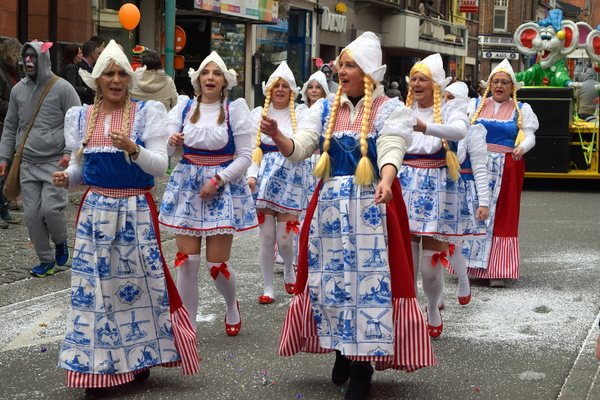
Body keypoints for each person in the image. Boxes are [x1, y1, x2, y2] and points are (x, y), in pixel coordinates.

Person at [271, 32, 436, 400]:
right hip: (329, 207)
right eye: (340, 65)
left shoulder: (391, 109)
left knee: (368, 285)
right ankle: (341, 348)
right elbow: (301, 147)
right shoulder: (325, 108)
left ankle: (363, 365)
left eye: (349, 65)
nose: (341, 71)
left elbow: (394, 145)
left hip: (372, 206)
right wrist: (279, 138)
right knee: (332, 280)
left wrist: (389, 178)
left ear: (368, 73)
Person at [53, 40, 199, 399]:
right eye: (109, 74)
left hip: (135, 210)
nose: (115, 80)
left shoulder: (147, 113)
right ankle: (97, 369)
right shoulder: (84, 117)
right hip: (95, 213)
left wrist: (133, 149)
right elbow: (80, 171)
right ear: (98, 80)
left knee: (136, 290)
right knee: (96, 292)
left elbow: (159, 167)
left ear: (129, 80)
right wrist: (66, 178)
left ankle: (141, 356)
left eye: (121, 74)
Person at [159, 51, 257, 335]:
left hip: (222, 189)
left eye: (216, 73)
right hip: (187, 186)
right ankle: (187, 327)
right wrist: (171, 141)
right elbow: (164, 151)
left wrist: (218, 180)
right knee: (187, 262)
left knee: (216, 264)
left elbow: (245, 156)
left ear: (224, 80)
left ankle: (231, 305)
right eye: (205, 72)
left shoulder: (235, 110)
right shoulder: (183, 107)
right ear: (198, 79)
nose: (210, 77)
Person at [399, 53, 468, 337]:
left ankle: (431, 306)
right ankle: (411, 308)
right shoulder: (399, 108)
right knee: (405, 261)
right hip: (403, 186)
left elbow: (460, 131)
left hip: (438, 189)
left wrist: (423, 125)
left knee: (429, 268)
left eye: (422, 79)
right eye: (413, 78)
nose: (416, 83)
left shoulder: (452, 109)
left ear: (436, 85)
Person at [0, 40, 80, 277]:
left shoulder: (63, 88)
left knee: (52, 210)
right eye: (25, 57)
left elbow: (76, 122)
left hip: (55, 163)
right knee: (32, 215)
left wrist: (68, 154)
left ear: (42, 59)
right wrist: (4, 158)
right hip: (27, 164)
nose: (28, 61)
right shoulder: (17, 91)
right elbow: (10, 126)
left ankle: (61, 241)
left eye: (32, 56)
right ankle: (46, 260)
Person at [463, 59, 538, 287]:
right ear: (489, 85)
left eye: (504, 82)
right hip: (476, 164)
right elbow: (462, 130)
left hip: (507, 165)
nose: (499, 85)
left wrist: (522, 147)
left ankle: (498, 269)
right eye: (495, 81)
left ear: (511, 87)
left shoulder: (522, 109)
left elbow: (531, 135)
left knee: (503, 215)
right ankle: (469, 265)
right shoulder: (475, 104)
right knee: (473, 212)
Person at [247, 61, 309, 305]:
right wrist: (251, 175)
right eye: (276, 86)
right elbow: (254, 148)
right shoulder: (258, 114)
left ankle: (289, 269)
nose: (280, 90)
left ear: (291, 91)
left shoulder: (302, 114)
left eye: (285, 86)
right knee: (266, 236)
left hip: (291, 177)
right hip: (264, 178)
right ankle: (268, 287)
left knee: (285, 237)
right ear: (269, 90)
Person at [441, 82, 489, 306]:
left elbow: (480, 169)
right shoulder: (434, 124)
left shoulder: (473, 130)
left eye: (450, 98)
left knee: (452, 246)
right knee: (433, 245)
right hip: (437, 190)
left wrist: (484, 202)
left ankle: (463, 280)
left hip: (461, 193)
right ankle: (436, 298)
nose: (445, 102)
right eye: (444, 97)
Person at [0, 38, 22, 228]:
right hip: (3, 125)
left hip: (9, 125)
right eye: (16, 55)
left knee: (4, 172)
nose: (18, 59)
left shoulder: (13, 72)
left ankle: (4, 210)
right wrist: (16, 108)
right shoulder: (2, 73)